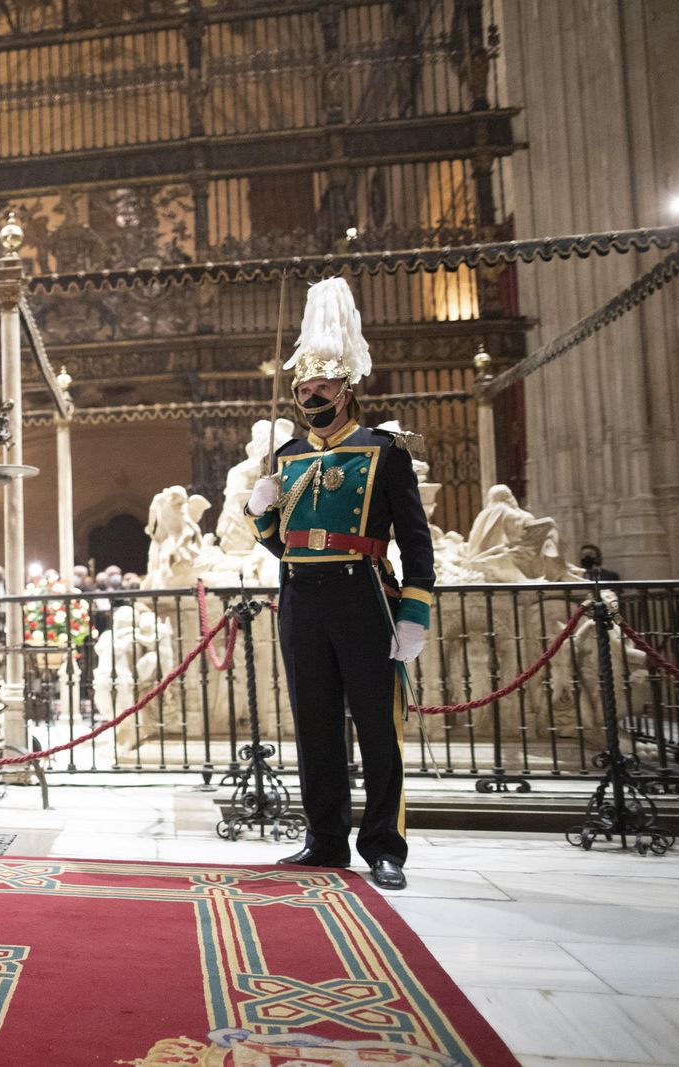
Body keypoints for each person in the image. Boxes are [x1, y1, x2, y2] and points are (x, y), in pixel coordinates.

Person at [246, 277, 433, 892]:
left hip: (363, 594)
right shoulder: (290, 457)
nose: (309, 395)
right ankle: (325, 840)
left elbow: (415, 538)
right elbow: (281, 544)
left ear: (346, 388)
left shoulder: (385, 451)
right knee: (315, 725)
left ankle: (384, 845)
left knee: (378, 727)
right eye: (302, 387)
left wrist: (415, 612)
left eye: (321, 385)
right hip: (301, 597)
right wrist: (261, 512)